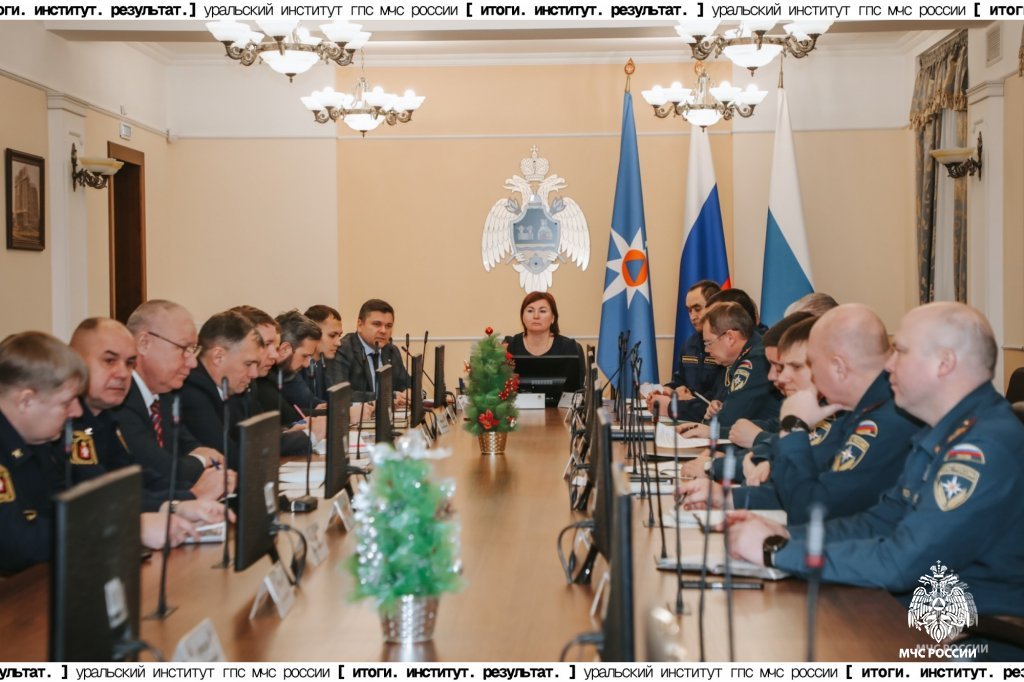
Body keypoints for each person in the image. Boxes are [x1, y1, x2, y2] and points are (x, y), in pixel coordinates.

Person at [729, 303, 1024, 634]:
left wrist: (777, 551)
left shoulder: (982, 448)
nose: (889, 364)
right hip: (914, 613)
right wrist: (788, 536)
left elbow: (902, 562)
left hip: (972, 635)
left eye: (901, 352)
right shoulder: (942, 431)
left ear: (944, 363)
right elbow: (880, 522)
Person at [680, 304, 919, 523]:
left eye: (798, 365)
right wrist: (728, 497)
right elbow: (799, 484)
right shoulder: (854, 408)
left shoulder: (886, 420)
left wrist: (793, 428)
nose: (779, 377)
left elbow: (810, 505)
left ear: (838, 366)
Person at [112, 300, 226, 501]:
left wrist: (200, 461)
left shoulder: (164, 396)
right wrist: (202, 461)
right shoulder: (120, 399)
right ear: (144, 343)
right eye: (183, 348)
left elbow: (192, 446)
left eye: (193, 350)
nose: (192, 362)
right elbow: (163, 470)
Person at [677, 301, 780, 438]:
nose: (707, 350)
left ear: (730, 338)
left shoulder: (756, 359)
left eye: (708, 343)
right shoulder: (744, 355)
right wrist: (717, 408)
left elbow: (728, 419)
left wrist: (708, 427)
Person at [179, 310, 262, 469]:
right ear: (218, 357)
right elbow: (228, 457)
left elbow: (257, 439)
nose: (254, 374)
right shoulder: (192, 388)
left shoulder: (229, 386)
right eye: (248, 364)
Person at [648, 280, 723, 421]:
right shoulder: (690, 344)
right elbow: (680, 380)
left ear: (715, 307)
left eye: (697, 309)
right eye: (689, 310)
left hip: (707, 418)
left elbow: (720, 397)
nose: (692, 316)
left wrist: (689, 399)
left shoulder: (725, 348)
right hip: (687, 416)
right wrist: (667, 391)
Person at [333, 299, 411, 405]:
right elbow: (341, 395)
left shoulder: (391, 351)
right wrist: (387, 397)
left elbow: (407, 384)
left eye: (388, 326)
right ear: (360, 325)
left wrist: (410, 392)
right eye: (377, 324)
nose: (383, 331)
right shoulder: (343, 349)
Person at [503, 291, 583, 392]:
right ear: (522, 317)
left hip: (560, 402)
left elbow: (577, 389)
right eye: (530, 311)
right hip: (517, 402)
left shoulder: (568, 347)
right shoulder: (510, 346)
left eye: (542, 311)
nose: (536, 316)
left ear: (553, 318)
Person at [303, 304, 344, 402]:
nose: (338, 343)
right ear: (313, 333)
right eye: (332, 335)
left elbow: (334, 400)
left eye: (339, 336)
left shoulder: (323, 363)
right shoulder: (298, 367)